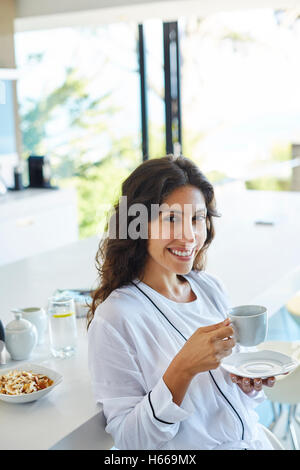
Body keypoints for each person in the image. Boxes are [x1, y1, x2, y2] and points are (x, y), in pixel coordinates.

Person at [87, 155, 276, 450]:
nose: (189, 236)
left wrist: (246, 383)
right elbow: (129, 441)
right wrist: (183, 369)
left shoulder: (210, 287)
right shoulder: (116, 318)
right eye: (171, 219)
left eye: (197, 219)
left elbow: (226, 401)